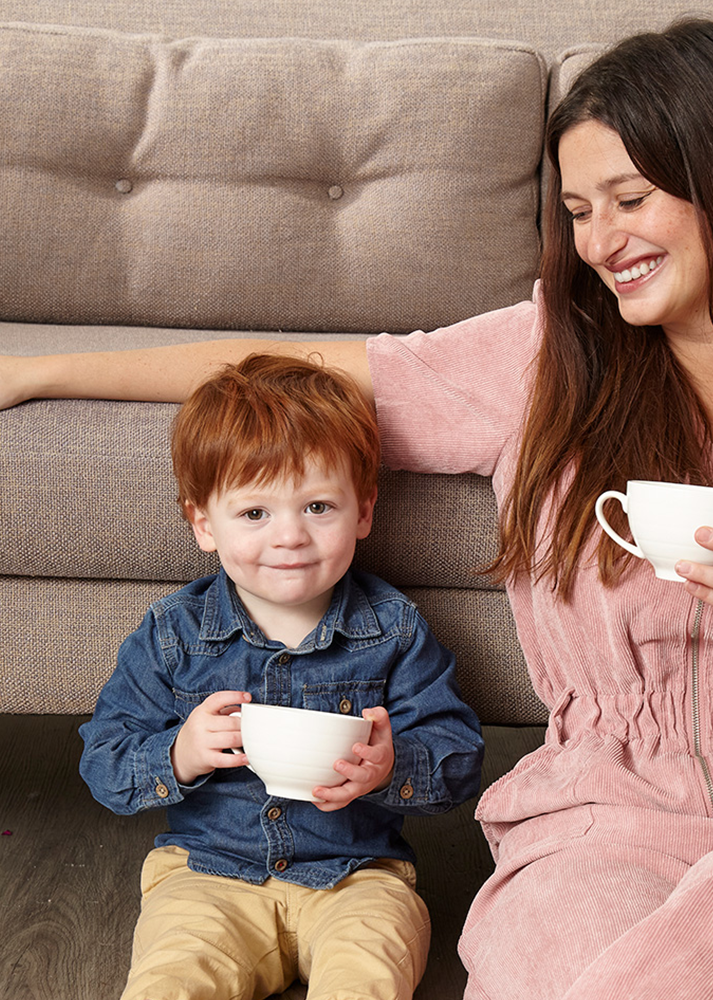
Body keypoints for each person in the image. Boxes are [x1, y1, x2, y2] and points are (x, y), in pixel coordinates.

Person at [0, 17, 713, 999]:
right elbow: (292, 372)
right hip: (596, 827)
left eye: (628, 198)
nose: (600, 242)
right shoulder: (546, 361)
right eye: (577, 210)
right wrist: (28, 371)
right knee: (565, 959)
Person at [77, 353, 484, 1000]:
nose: (290, 536)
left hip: (357, 876)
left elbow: (459, 756)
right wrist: (179, 754)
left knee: (368, 976)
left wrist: (391, 766)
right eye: (255, 514)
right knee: (171, 980)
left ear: (364, 512)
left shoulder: (395, 630)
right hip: (208, 875)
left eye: (319, 506)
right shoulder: (174, 633)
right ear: (204, 524)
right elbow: (103, 760)